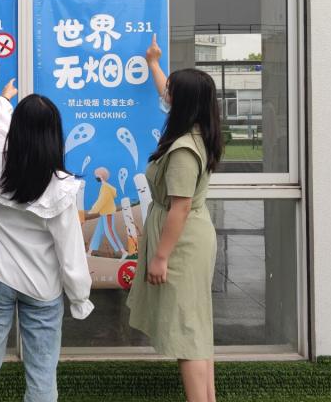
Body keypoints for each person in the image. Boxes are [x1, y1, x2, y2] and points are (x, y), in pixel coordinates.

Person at [0, 79, 93, 402]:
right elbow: (71, 253)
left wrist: (3, 102)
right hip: (42, 287)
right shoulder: (61, 187)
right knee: (42, 373)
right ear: (54, 136)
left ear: (16, 132)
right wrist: (80, 298)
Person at [126, 33, 224, 402]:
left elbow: (180, 207)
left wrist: (161, 257)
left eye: (173, 93)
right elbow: (165, 91)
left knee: (186, 332)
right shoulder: (197, 132)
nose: (166, 94)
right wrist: (153, 62)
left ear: (183, 103)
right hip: (189, 237)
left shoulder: (183, 150)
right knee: (194, 325)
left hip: (181, 245)